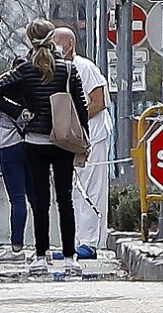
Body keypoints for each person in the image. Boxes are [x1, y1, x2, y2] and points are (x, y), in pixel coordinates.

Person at [0, 19, 89, 276]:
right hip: (62, 140)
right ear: (53, 38)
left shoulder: (25, 70)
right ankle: (68, 256)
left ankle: (40, 255)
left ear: (29, 40)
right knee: (65, 200)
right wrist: (82, 137)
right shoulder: (67, 68)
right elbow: (82, 105)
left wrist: (20, 111)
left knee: (40, 201)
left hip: (34, 140)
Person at [54, 27, 113, 261]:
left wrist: (75, 121)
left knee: (91, 190)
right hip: (72, 141)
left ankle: (90, 243)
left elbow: (98, 101)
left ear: (69, 44)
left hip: (93, 137)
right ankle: (77, 241)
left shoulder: (85, 67)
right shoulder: (58, 71)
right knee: (75, 192)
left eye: (56, 43)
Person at [0, 56, 35, 263]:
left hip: (9, 144)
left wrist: (12, 109)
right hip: (34, 144)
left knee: (17, 198)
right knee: (37, 199)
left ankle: (16, 249)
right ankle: (44, 249)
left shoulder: (6, 84)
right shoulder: (39, 84)